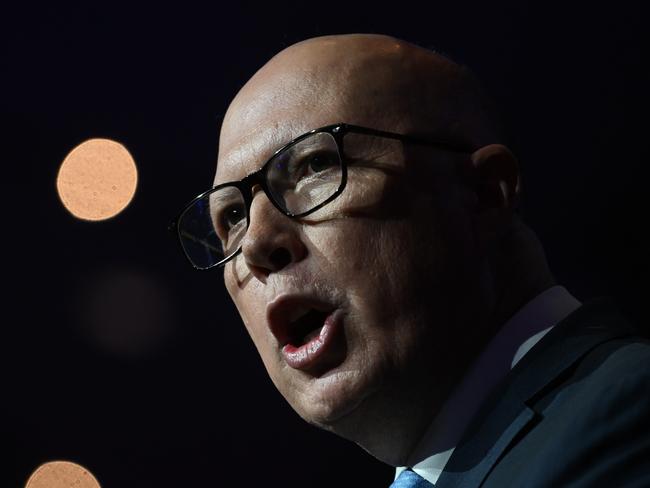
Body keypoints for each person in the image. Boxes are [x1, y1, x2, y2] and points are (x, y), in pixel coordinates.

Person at [171, 34, 650, 487]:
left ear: (484, 193)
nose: (255, 243)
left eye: (316, 165)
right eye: (232, 215)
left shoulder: (627, 413)